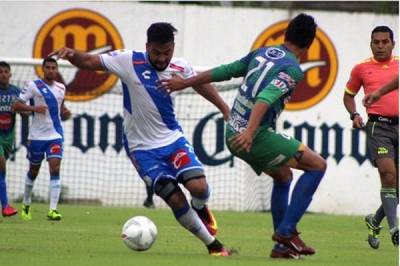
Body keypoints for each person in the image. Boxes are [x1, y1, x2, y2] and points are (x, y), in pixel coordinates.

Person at [50, 22, 232, 256]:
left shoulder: (180, 66)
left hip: (171, 139)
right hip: (141, 149)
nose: (161, 58)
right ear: (147, 46)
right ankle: (213, 245)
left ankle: (199, 206)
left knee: (199, 187)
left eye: (167, 52)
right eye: (156, 52)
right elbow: (90, 62)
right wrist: (72, 54)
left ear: (173, 47)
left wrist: (224, 108)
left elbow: (200, 84)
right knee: (174, 198)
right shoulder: (128, 60)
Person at [159, 14, 326, 259]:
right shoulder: (292, 69)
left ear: (286, 33)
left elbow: (226, 71)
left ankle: (281, 248)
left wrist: (186, 83)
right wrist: (250, 132)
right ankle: (287, 232)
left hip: (233, 132)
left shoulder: (262, 53)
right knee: (318, 166)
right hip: (253, 135)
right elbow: (266, 97)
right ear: (309, 45)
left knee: (283, 176)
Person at [343, 26, 398, 249]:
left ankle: (375, 221)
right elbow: (348, 96)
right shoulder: (361, 68)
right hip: (378, 127)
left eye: (385, 42)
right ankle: (395, 229)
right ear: (371, 44)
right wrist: (354, 114)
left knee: (397, 187)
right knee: (388, 174)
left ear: (393, 43)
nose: (380, 46)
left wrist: (378, 93)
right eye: (376, 42)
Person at [12, 57, 71, 221]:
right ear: (43, 70)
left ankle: (53, 210)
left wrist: (66, 113)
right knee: (33, 171)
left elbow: (61, 109)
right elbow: (15, 106)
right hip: (37, 137)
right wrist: (33, 108)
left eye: (54, 67)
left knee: (55, 168)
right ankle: (26, 203)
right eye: (48, 67)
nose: (51, 70)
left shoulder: (61, 88)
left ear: (57, 70)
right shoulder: (34, 86)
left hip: (55, 136)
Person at [0, 61, 21, 217]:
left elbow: (26, 113)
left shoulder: (16, 92)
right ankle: (5, 206)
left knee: (2, 171)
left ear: (10, 74)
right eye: (0, 72)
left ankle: (4, 205)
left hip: (8, 138)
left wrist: (21, 109)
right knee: (1, 164)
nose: (3, 74)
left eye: (6, 72)